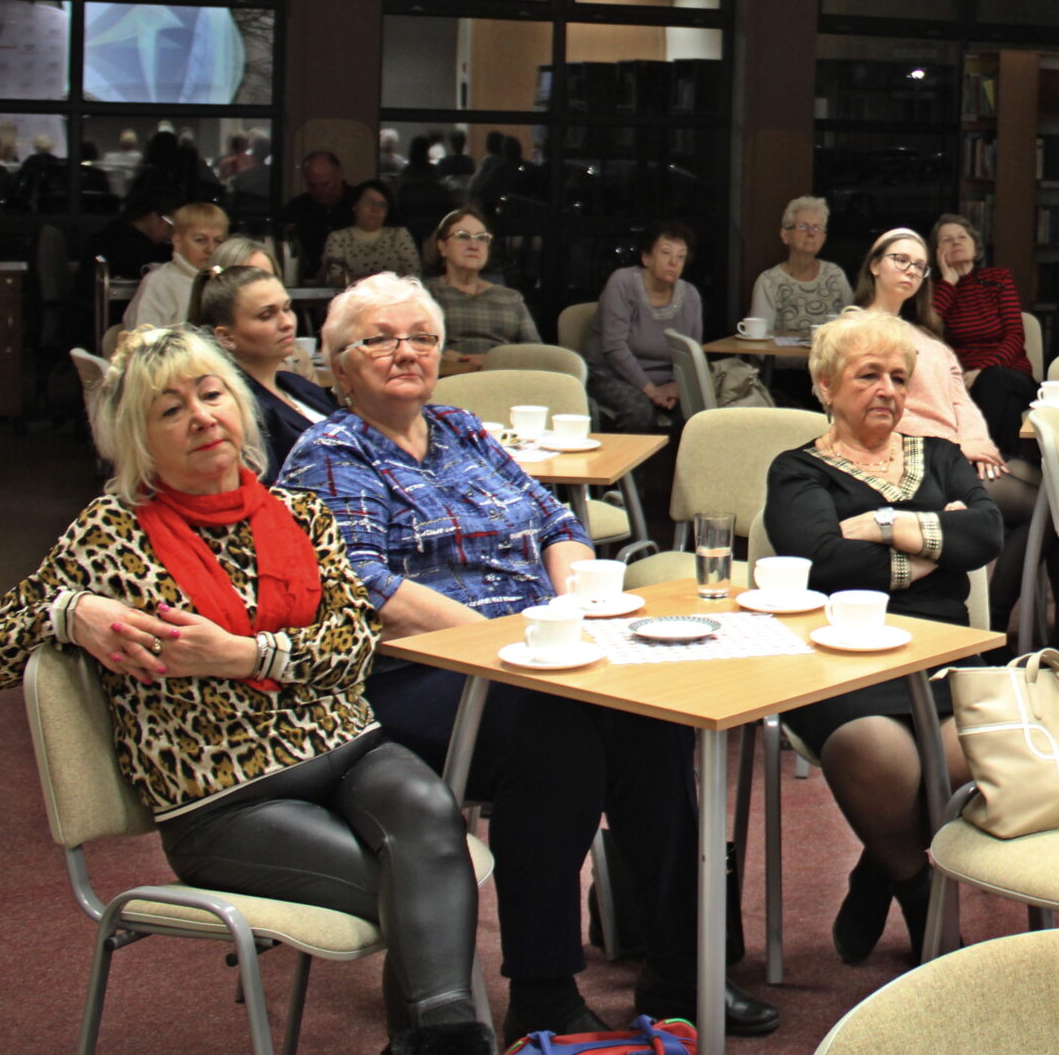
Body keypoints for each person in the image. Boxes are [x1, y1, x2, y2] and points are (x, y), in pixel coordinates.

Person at [0, 326, 491, 1055]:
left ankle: (436, 1038)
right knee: (426, 885)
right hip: (227, 796)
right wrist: (73, 612)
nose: (203, 416)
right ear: (138, 439)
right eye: (171, 410)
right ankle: (445, 1038)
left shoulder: (298, 513)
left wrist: (244, 654)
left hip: (348, 745)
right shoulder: (111, 532)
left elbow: (354, 646)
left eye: (211, 394)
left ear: (239, 405)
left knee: (432, 817)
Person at [281, 274, 778, 1040]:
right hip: (418, 675)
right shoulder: (331, 451)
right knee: (554, 742)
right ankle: (542, 989)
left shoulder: (463, 429)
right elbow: (363, 583)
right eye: (378, 338)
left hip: (538, 654)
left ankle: (681, 973)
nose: (405, 351)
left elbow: (556, 520)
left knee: (659, 724)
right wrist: (502, 644)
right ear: (338, 366)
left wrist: (575, 606)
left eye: (421, 336)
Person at [764, 308, 1003, 965]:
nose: (888, 390)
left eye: (899, 377)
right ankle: (917, 886)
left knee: (977, 752)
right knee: (878, 754)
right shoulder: (797, 470)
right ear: (825, 384)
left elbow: (985, 534)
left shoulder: (942, 454)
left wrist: (876, 524)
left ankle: (879, 863)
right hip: (837, 658)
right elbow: (820, 560)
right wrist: (935, 537)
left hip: (942, 650)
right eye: (868, 375)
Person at [854, 229, 1012, 484]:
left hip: (956, 451)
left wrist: (977, 442)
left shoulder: (927, 337)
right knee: (1038, 500)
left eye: (920, 265)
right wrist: (954, 447)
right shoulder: (857, 331)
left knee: (1045, 488)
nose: (912, 270)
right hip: (909, 458)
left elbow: (960, 400)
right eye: (901, 259)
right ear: (874, 265)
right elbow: (878, 410)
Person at [195, 264, 333, 483]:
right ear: (226, 337)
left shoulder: (295, 383)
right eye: (266, 315)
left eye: (287, 308)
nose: (287, 323)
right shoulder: (238, 407)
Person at [928, 212, 1038, 454]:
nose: (956, 242)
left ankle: (971, 458)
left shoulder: (998, 278)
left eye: (962, 237)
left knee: (994, 379)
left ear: (976, 248)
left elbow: (1015, 337)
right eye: (946, 240)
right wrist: (948, 282)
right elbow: (927, 331)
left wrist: (983, 371)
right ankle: (1000, 474)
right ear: (937, 253)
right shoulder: (937, 291)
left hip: (1012, 375)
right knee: (1009, 409)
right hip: (966, 384)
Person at [590, 222, 703, 432]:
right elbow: (614, 347)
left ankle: (681, 466)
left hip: (667, 383)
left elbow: (692, 353)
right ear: (646, 257)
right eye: (666, 253)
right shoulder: (622, 283)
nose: (673, 262)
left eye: (681, 256)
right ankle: (630, 466)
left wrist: (677, 387)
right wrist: (651, 390)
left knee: (698, 412)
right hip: (614, 376)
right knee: (639, 411)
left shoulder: (690, 296)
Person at [424, 207, 540, 375]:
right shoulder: (425, 294)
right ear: (442, 246)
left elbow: (535, 351)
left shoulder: (510, 298)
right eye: (463, 236)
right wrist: (450, 358)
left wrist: (496, 360)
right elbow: (414, 345)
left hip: (505, 378)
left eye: (482, 238)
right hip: (448, 380)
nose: (473, 245)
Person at [749, 196, 854, 338]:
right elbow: (758, 339)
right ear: (785, 235)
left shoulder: (835, 275)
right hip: (782, 358)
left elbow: (853, 326)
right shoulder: (769, 281)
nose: (811, 233)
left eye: (817, 228)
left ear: (823, 238)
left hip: (828, 359)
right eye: (803, 226)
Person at [124, 201, 229, 329]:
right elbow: (144, 342)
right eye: (200, 240)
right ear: (178, 241)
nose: (210, 249)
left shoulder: (228, 282)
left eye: (218, 241)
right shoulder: (159, 282)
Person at [321, 181, 422, 287]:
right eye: (369, 202)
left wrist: (355, 278)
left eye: (382, 205)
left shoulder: (400, 235)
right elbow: (334, 279)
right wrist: (387, 280)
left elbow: (414, 278)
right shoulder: (338, 238)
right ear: (355, 205)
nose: (375, 209)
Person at [281, 150, 356, 275]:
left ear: (340, 175)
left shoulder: (359, 203)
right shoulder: (296, 208)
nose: (319, 191)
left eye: (325, 184)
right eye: (312, 186)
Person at [91, 189, 171, 280]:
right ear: (153, 217)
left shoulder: (112, 232)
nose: (169, 234)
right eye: (169, 225)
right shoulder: (126, 245)